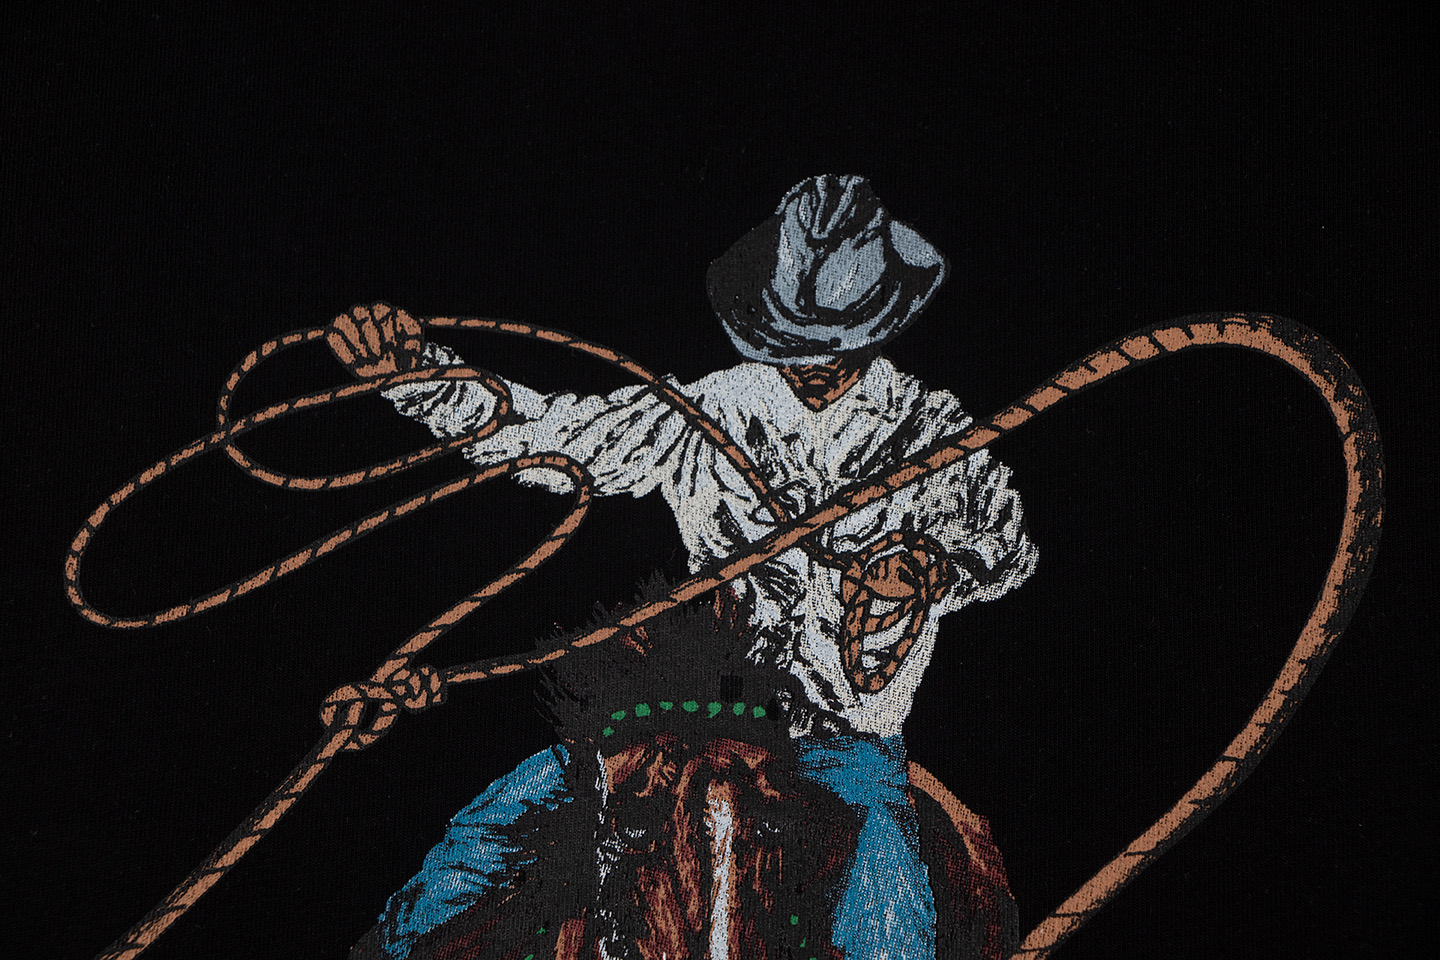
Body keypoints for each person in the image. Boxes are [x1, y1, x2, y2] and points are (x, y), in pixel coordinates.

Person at [330, 175, 1038, 960]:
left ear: (880, 322)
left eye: (837, 338)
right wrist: (418, 376)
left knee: (888, 912)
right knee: (481, 844)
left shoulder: (936, 434)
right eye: (796, 337)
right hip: (702, 715)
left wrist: (932, 567)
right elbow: (558, 439)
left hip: (843, 741)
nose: (814, 362)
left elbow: (1006, 549)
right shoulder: (710, 412)